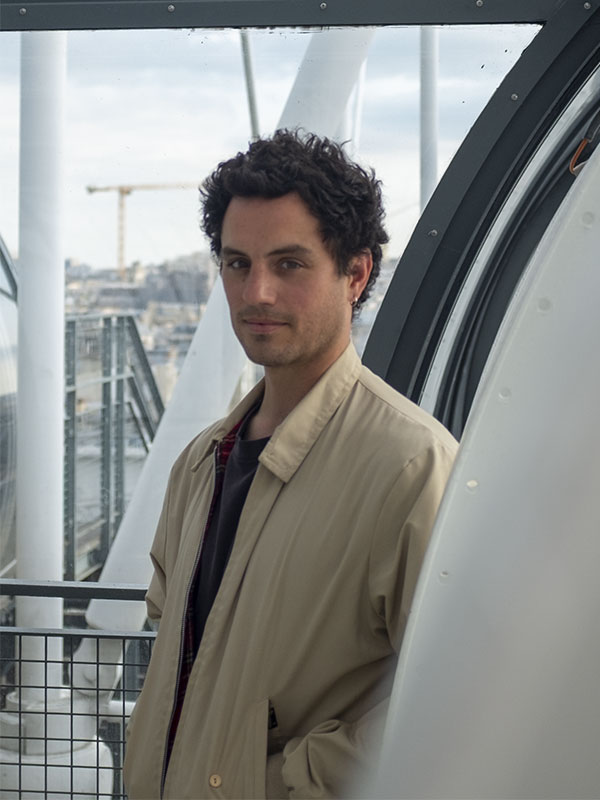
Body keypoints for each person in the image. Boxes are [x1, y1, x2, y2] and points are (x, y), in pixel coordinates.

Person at [123, 130, 458, 799]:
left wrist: (287, 781)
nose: (258, 294)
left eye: (290, 264)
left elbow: (463, 686)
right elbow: (179, 648)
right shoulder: (199, 464)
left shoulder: (411, 464)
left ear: (356, 273)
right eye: (237, 263)